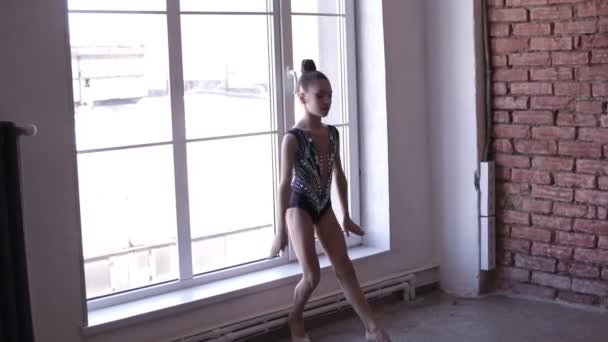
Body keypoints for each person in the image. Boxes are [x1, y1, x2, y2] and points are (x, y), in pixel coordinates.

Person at [269, 59, 391, 342]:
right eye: (319, 96)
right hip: (299, 205)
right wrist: (280, 231)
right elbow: (284, 184)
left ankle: (372, 329)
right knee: (312, 277)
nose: (326, 101)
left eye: (330, 96)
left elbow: (340, 176)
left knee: (345, 267)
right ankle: (295, 317)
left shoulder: (332, 133)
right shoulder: (293, 138)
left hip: (323, 205)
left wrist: (346, 215)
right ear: (302, 97)